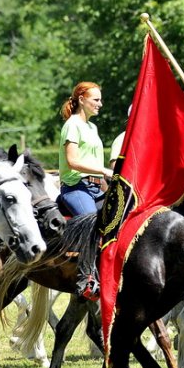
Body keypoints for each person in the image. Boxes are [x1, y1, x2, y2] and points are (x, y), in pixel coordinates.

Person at [58, 81, 114, 301]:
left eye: (100, 99)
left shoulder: (92, 127)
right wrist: (103, 170)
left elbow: (94, 163)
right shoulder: (72, 125)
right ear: (81, 99)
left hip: (95, 187)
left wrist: (106, 187)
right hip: (75, 187)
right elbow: (72, 161)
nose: (100, 104)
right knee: (92, 223)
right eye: (96, 99)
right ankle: (87, 280)